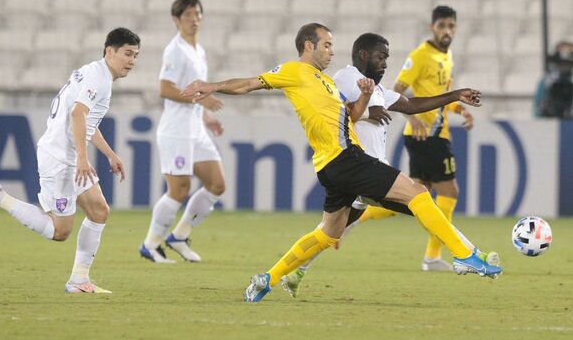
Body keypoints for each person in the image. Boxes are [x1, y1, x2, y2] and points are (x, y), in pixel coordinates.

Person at [180, 23, 502, 303]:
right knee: (418, 193)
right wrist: (212, 86)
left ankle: (268, 278)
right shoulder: (295, 71)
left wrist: (364, 100)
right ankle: (464, 255)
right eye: (327, 44)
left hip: (331, 167)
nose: (332, 51)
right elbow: (249, 84)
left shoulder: (327, 84)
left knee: (327, 233)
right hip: (347, 159)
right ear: (309, 46)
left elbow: (349, 116)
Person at [280, 32, 500, 298]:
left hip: (369, 173)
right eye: (381, 56)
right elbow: (332, 106)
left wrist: (454, 95)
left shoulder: (379, 90)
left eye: (387, 58)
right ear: (364, 54)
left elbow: (412, 105)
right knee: (421, 202)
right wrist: (365, 108)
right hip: (360, 169)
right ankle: (468, 254)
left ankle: (292, 272)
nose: (385, 63)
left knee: (330, 231)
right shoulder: (345, 77)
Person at [0, 27, 141, 293]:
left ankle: (79, 281)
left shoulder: (94, 72)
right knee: (60, 232)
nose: (132, 61)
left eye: (136, 56)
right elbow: (78, 115)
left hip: (68, 156)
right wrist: (82, 158)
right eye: (127, 54)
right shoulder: (99, 80)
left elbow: (86, 120)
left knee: (99, 211)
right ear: (109, 51)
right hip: (60, 158)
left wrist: (109, 154)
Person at [359, 6, 471, 272]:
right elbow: (397, 90)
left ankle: (357, 215)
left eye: (451, 26)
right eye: (442, 25)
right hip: (426, 136)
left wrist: (461, 109)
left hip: (435, 134)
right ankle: (433, 256)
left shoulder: (447, 56)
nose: (447, 31)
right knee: (449, 191)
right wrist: (412, 117)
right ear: (432, 27)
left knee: (411, 197)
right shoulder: (421, 55)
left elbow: (442, 93)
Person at [139, 0, 225, 264]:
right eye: (188, 14)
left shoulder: (198, 51)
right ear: (175, 20)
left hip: (195, 128)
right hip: (176, 130)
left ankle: (179, 236)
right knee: (179, 189)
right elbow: (165, 89)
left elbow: (190, 89)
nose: (194, 19)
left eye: (197, 14)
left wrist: (205, 114)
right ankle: (151, 244)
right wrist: (201, 98)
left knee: (216, 184)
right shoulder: (174, 50)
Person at [536, 41, 573, 118]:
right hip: (551, 119)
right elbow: (538, 106)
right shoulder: (547, 80)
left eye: (568, 64)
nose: (565, 67)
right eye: (561, 64)